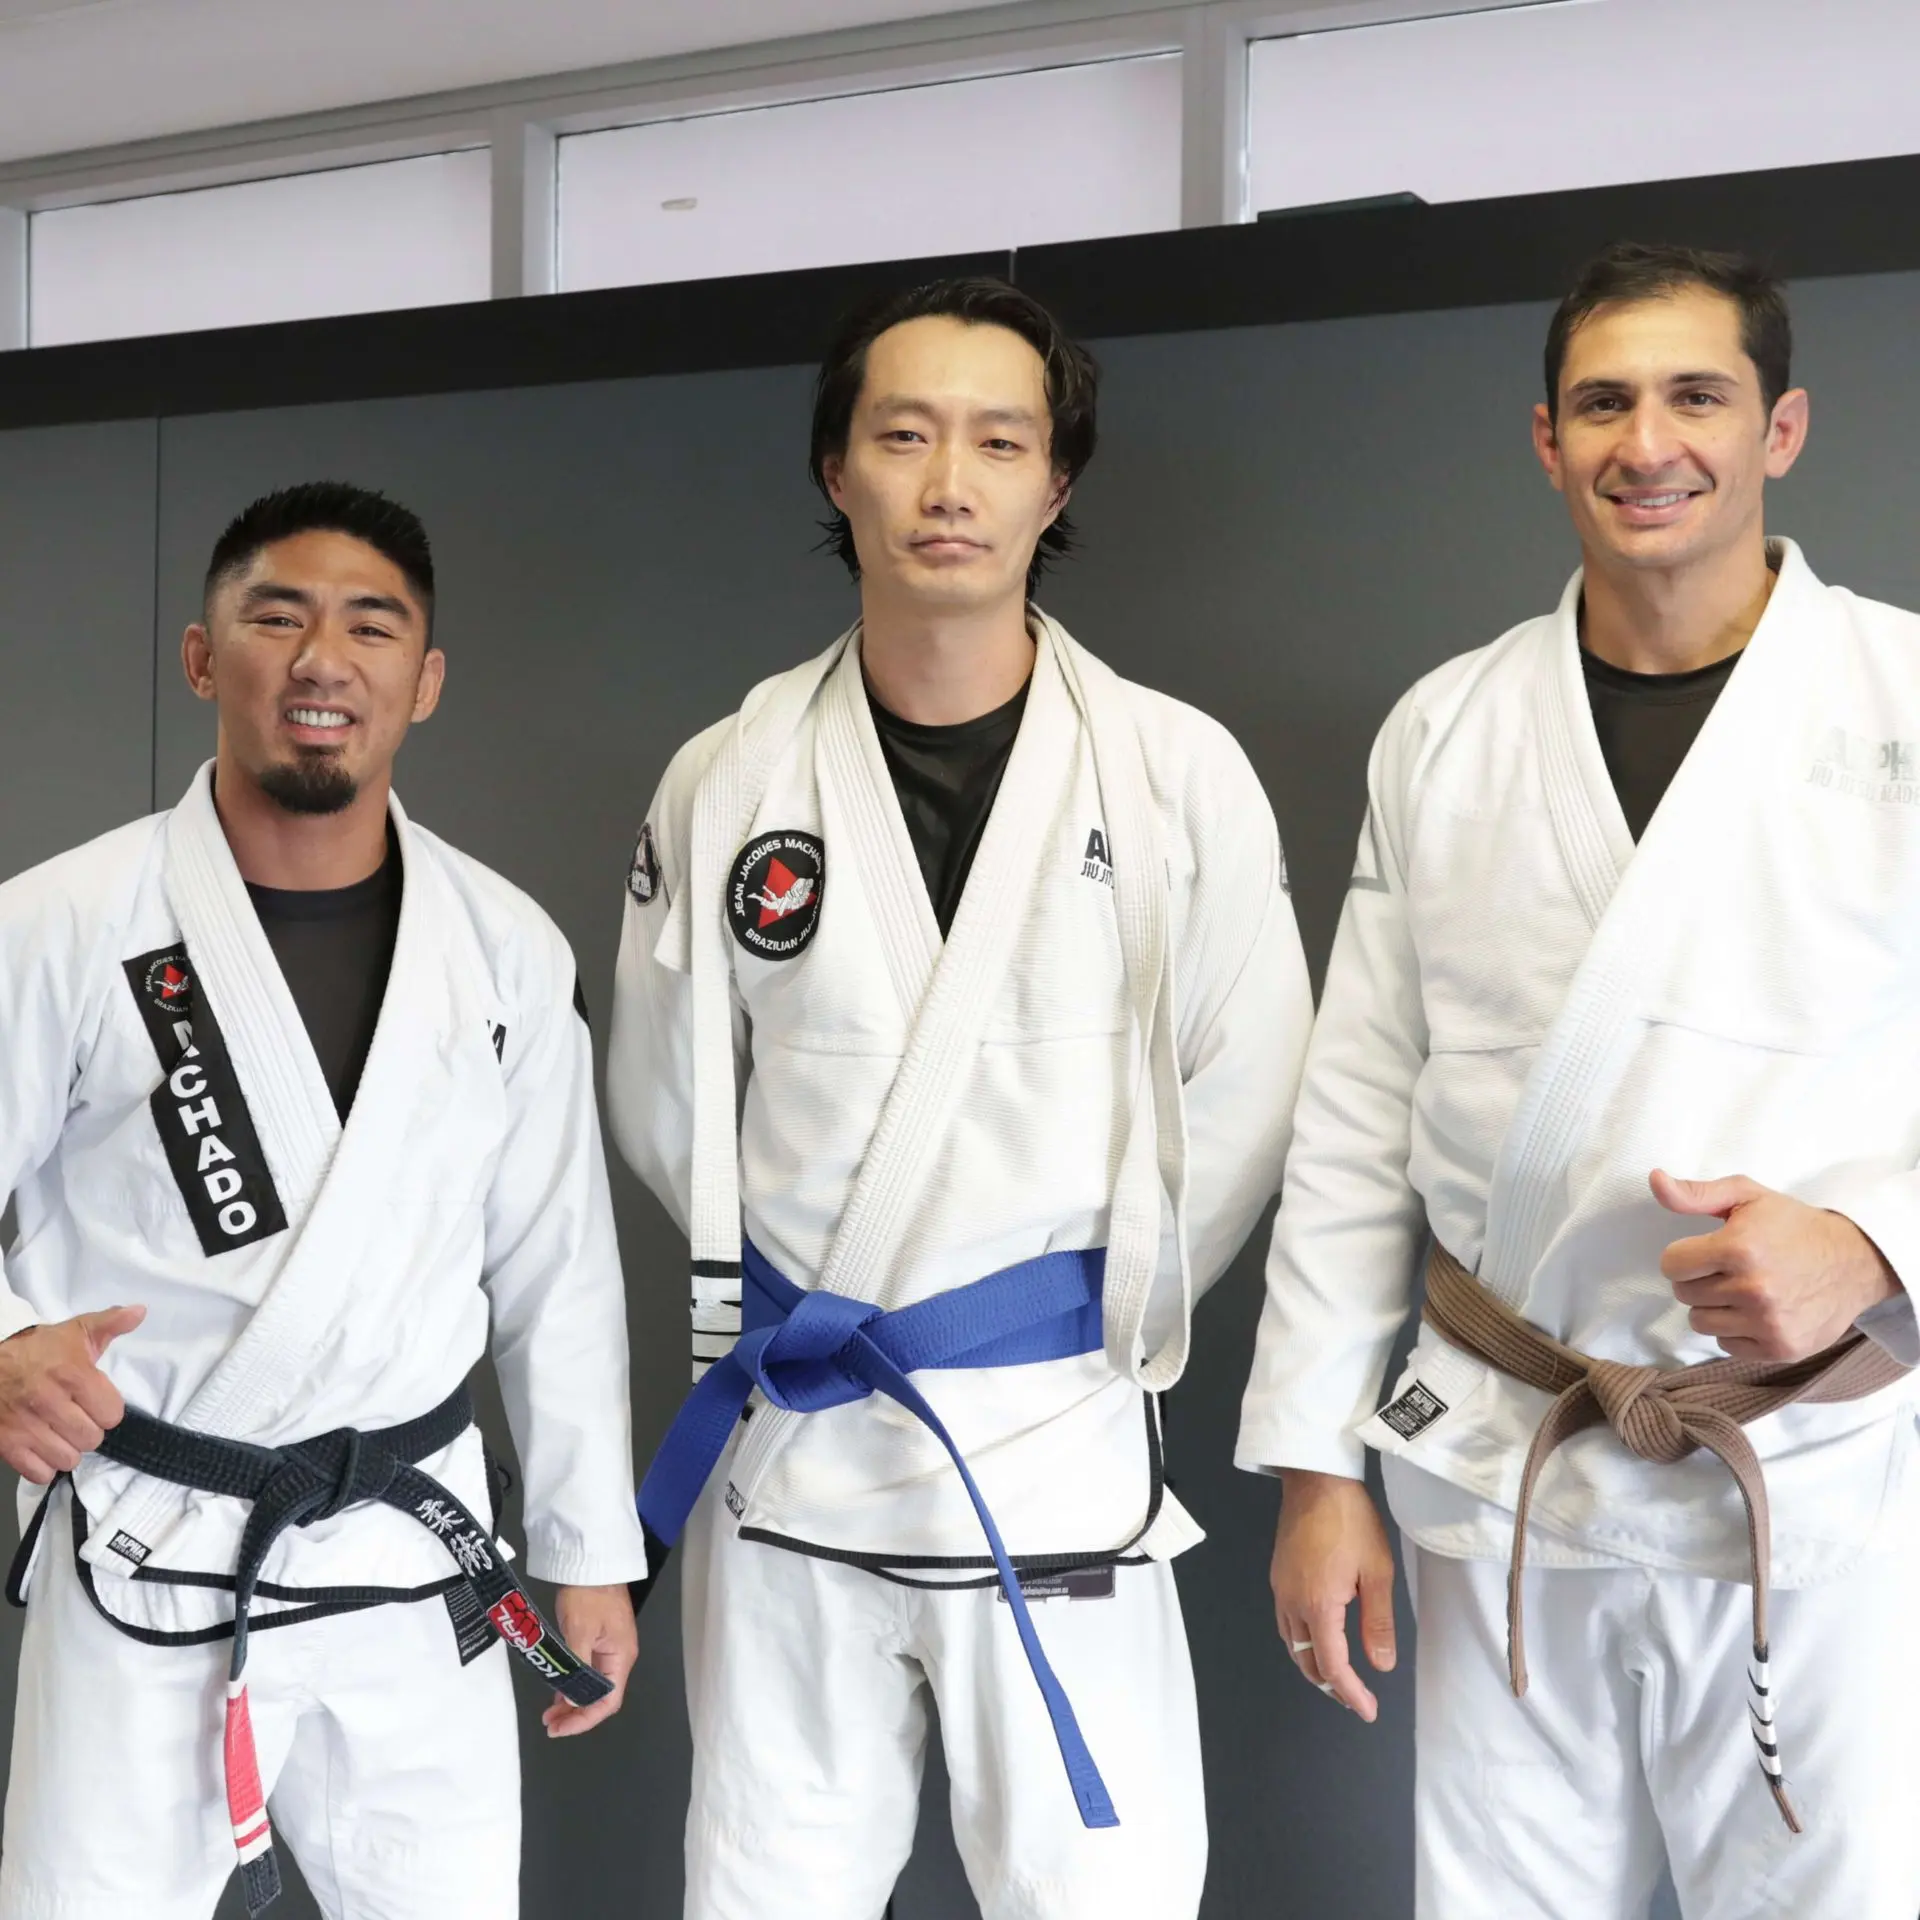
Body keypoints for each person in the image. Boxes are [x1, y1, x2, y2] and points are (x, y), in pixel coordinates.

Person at [609, 277, 1312, 1920]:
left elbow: (1253, 1086)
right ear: (835, 469)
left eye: (999, 442)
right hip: (796, 1454)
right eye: (903, 435)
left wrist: (1091, 1307)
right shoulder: (729, 776)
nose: (949, 483)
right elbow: (662, 1100)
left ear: (1053, 486)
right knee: (767, 1894)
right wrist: (800, 1303)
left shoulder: (1172, 770)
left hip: (1057, 1442)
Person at [1238, 241, 1920, 1918]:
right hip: (1504, 1460)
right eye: (1604, 402)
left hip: (1811, 1467)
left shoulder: (1906, 696)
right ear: (1546, 440)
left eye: (1699, 395)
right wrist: (1322, 1471)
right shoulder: (1450, 729)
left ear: (1785, 429)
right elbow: (1350, 1123)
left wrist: (1882, 1245)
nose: (1649, 441)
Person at [0, 482, 649, 1920]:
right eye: (274, 616)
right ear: (200, 656)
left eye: (371, 625)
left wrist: (590, 1556)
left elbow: (558, 1269)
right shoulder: (60, 925)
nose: (320, 659)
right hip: (152, 1542)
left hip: (412, 1556)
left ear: (422, 681)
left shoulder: (502, 948)